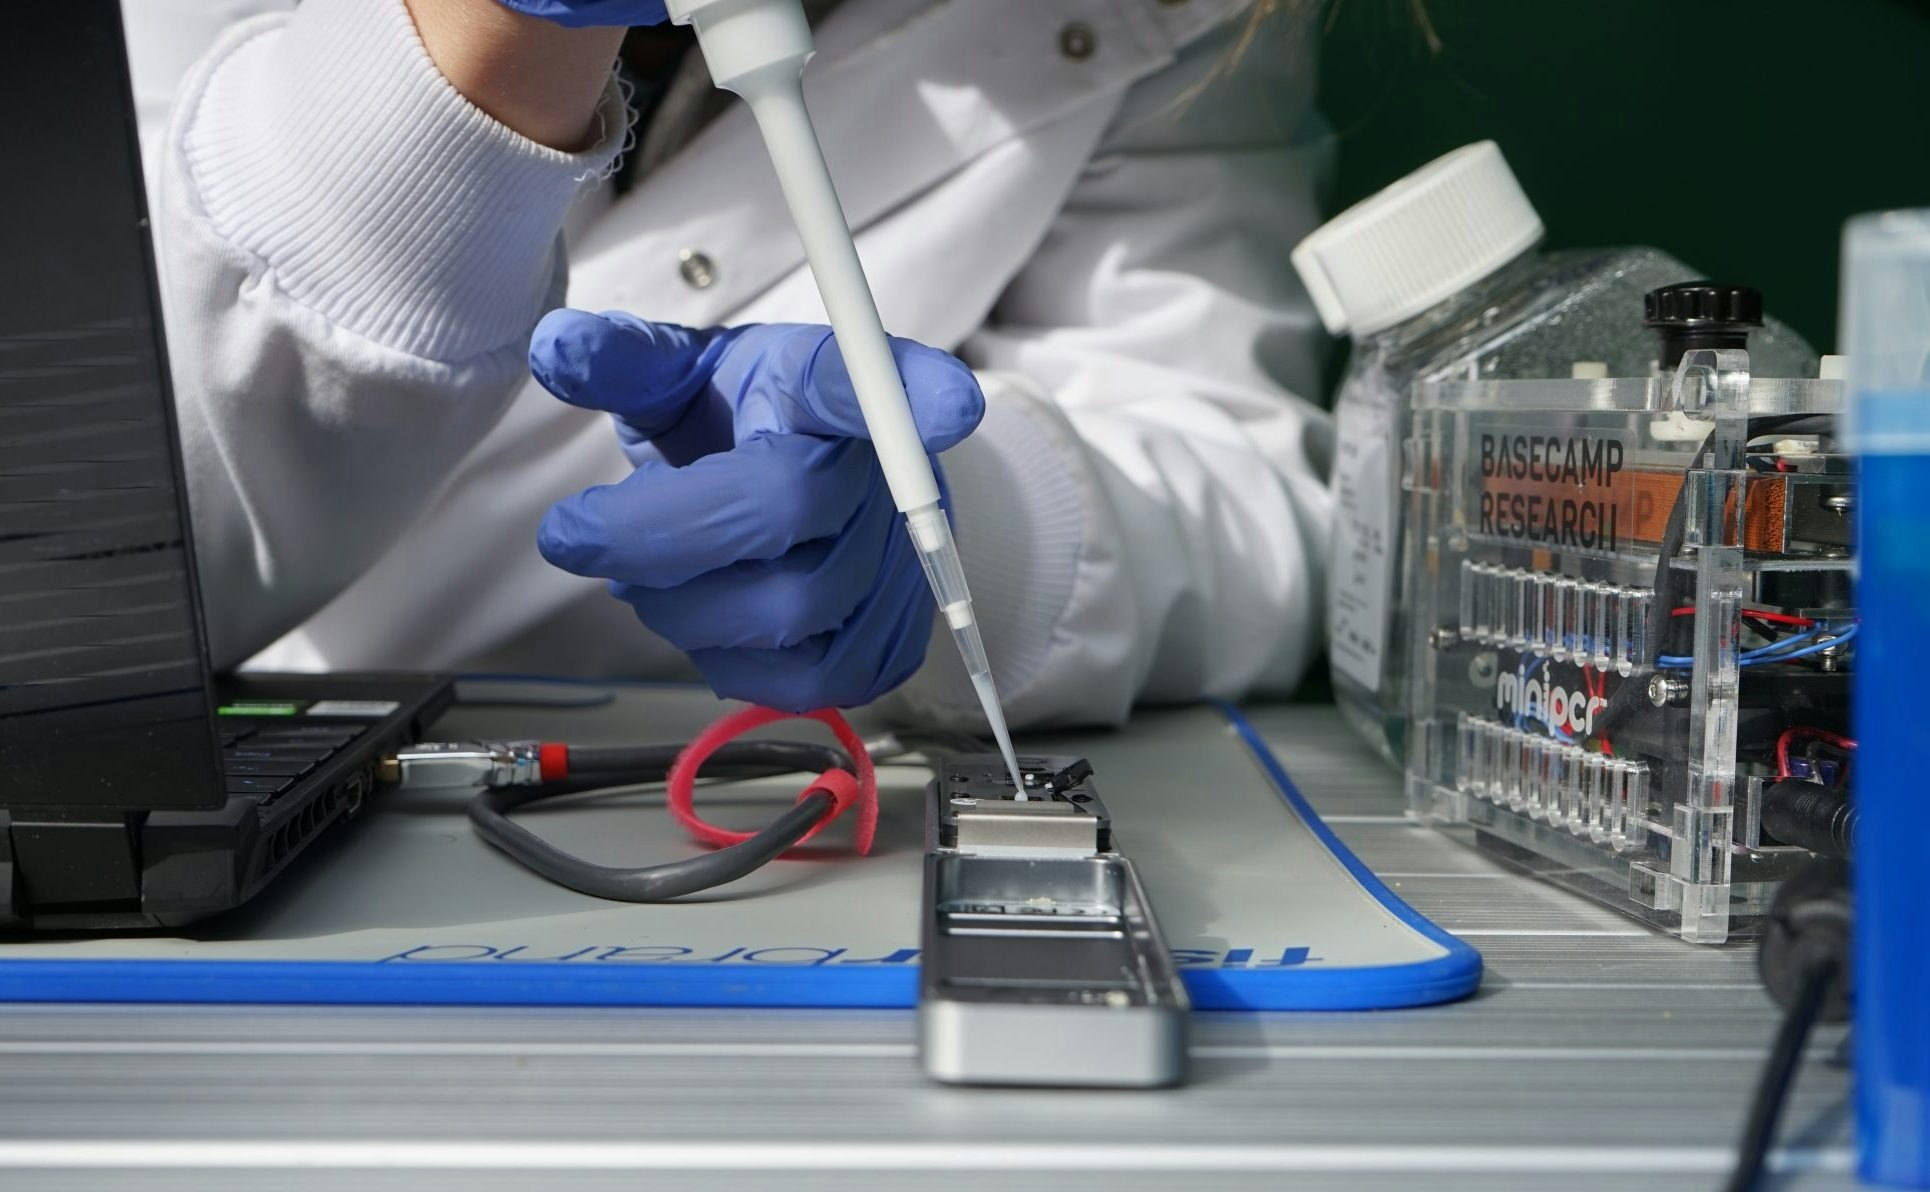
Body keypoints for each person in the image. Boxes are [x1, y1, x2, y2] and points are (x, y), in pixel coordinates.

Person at [121, 0, 1333, 729]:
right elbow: (110, 541)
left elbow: (1238, 476)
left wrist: (976, 530)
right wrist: (476, 52)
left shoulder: (1166, 18)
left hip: (759, 795)